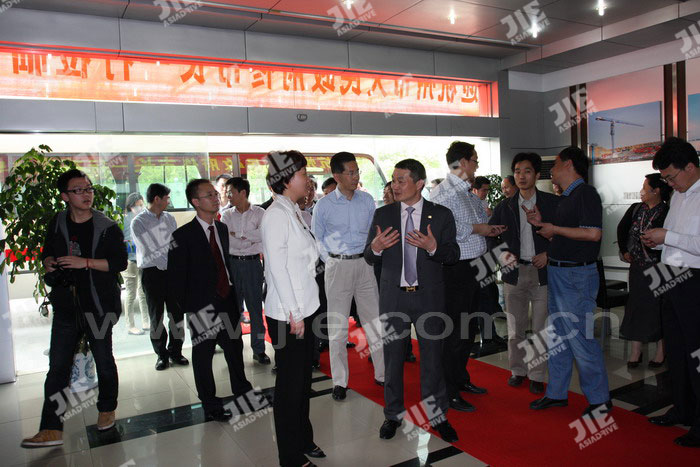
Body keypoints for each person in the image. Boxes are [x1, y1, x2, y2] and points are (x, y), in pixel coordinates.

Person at [22, 169, 127, 448]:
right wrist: (48, 261)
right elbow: (47, 249)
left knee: (104, 360)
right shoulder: (58, 221)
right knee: (57, 366)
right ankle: (50, 428)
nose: (86, 194)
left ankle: (107, 408)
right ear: (65, 196)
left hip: (98, 307)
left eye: (89, 188)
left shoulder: (107, 227)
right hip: (67, 307)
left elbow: (120, 263)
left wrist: (86, 263)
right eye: (78, 190)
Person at [365, 158, 460, 442]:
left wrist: (433, 247)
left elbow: (452, 254)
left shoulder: (440, 215)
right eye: (394, 180)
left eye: (401, 180)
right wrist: (375, 248)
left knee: (432, 360)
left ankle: (437, 415)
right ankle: (392, 415)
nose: (395, 186)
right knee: (393, 360)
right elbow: (369, 256)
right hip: (394, 297)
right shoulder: (383, 214)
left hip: (428, 297)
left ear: (419, 183)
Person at [527, 146, 611, 417]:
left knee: (579, 336)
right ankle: (557, 393)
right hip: (559, 271)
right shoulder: (566, 197)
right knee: (558, 336)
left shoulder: (585, 193)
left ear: (569, 165)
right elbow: (566, 237)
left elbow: (593, 234)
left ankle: (599, 399)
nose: (551, 170)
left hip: (576, 275)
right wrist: (544, 226)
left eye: (555, 164)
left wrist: (555, 229)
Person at [168, 179, 261, 422]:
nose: (216, 198)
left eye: (215, 194)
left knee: (234, 349)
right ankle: (210, 403)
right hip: (201, 306)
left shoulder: (220, 228)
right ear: (195, 202)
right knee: (203, 355)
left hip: (227, 299)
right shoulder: (182, 235)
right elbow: (176, 278)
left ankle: (243, 391)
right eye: (209, 195)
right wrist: (188, 309)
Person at [261, 150, 326, 466]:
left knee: (302, 383)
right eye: (302, 173)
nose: (307, 179)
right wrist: (294, 314)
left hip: (305, 308)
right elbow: (277, 268)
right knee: (289, 388)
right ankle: (290, 456)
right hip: (290, 316)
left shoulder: (293, 210)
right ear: (286, 179)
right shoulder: (276, 215)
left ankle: (303, 439)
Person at [430, 141, 505, 413]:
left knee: (469, 328)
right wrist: (478, 228)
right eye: (474, 160)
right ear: (462, 163)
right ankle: (447, 391)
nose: (477, 165)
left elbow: (477, 226)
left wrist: (487, 229)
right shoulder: (442, 193)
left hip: (476, 266)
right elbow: (443, 229)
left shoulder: (469, 194)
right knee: (454, 331)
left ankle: (461, 379)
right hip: (455, 269)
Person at [312, 151, 385, 401]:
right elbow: (317, 238)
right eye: (351, 172)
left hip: (365, 264)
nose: (355, 176)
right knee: (338, 327)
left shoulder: (367, 200)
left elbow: (374, 232)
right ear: (337, 176)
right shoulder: (324, 205)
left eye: (357, 172)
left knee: (374, 321)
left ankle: (382, 374)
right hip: (338, 267)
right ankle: (340, 381)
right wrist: (331, 261)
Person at [641, 137, 700, 448]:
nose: (669, 184)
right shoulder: (678, 195)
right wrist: (659, 241)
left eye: (671, 177)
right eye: (664, 179)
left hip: (695, 280)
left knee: (696, 352)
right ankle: (682, 408)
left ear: (690, 167)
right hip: (672, 277)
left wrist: (668, 236)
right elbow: (677, 238)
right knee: (676, 350)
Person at [489, 153, 559, 394]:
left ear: (537, 175)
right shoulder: (505, 206)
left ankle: (538, 375)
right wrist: (502, 256)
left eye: (527, 171)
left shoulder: (551, 203)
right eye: (517, 171)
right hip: (514, 273)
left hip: (542, 272)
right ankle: (517, 370)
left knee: (540, 328)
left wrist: (548, 254)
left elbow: (563, 235)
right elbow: (492, 236)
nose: (521, 176)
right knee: (515, 328)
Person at [617, 173, 671, 368]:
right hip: (637, 267)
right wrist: (624, 250)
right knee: (635, 307)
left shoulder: (667, 211)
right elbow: (622, 229)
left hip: (659, 268)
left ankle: (660, 352)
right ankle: (636, 352)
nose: (641, 191)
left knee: (658, 308)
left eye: (645, 187)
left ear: (656, 191)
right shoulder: (636, 208)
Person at [132, 183, 187, 371]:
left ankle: (176, 352)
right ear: (157, 199)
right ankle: (161, 355)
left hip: (172, 272)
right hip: (152, 273)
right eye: (166, 198)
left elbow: (174, 244)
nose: (168, 202)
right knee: (156, 316)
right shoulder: (138, 222)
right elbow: (149, 249)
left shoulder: (169, 219)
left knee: (177, 315)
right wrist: (166, 252)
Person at [220, 177, 269, 365]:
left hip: (252, 264)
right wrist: (249, 237)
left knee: (255, 309)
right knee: (233, 310)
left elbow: (262, 236)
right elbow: (228, 240)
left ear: (242, 193)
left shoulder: (260, 213)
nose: (228, 196)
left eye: (231, 192)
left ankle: (259, 349)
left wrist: (239, 235)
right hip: (232, 265)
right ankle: (234, 349)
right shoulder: (226, 215)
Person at [122, 192, 149, 335]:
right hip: (129, 261)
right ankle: (130, 325)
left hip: (142, 260)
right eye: (138, 205)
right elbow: (125, 241)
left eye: (142, 205)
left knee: (142, 292)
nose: (140, 207)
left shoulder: (143, 218)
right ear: (131, 206)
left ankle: (146, 321)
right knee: (131, 294)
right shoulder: (125, 220)